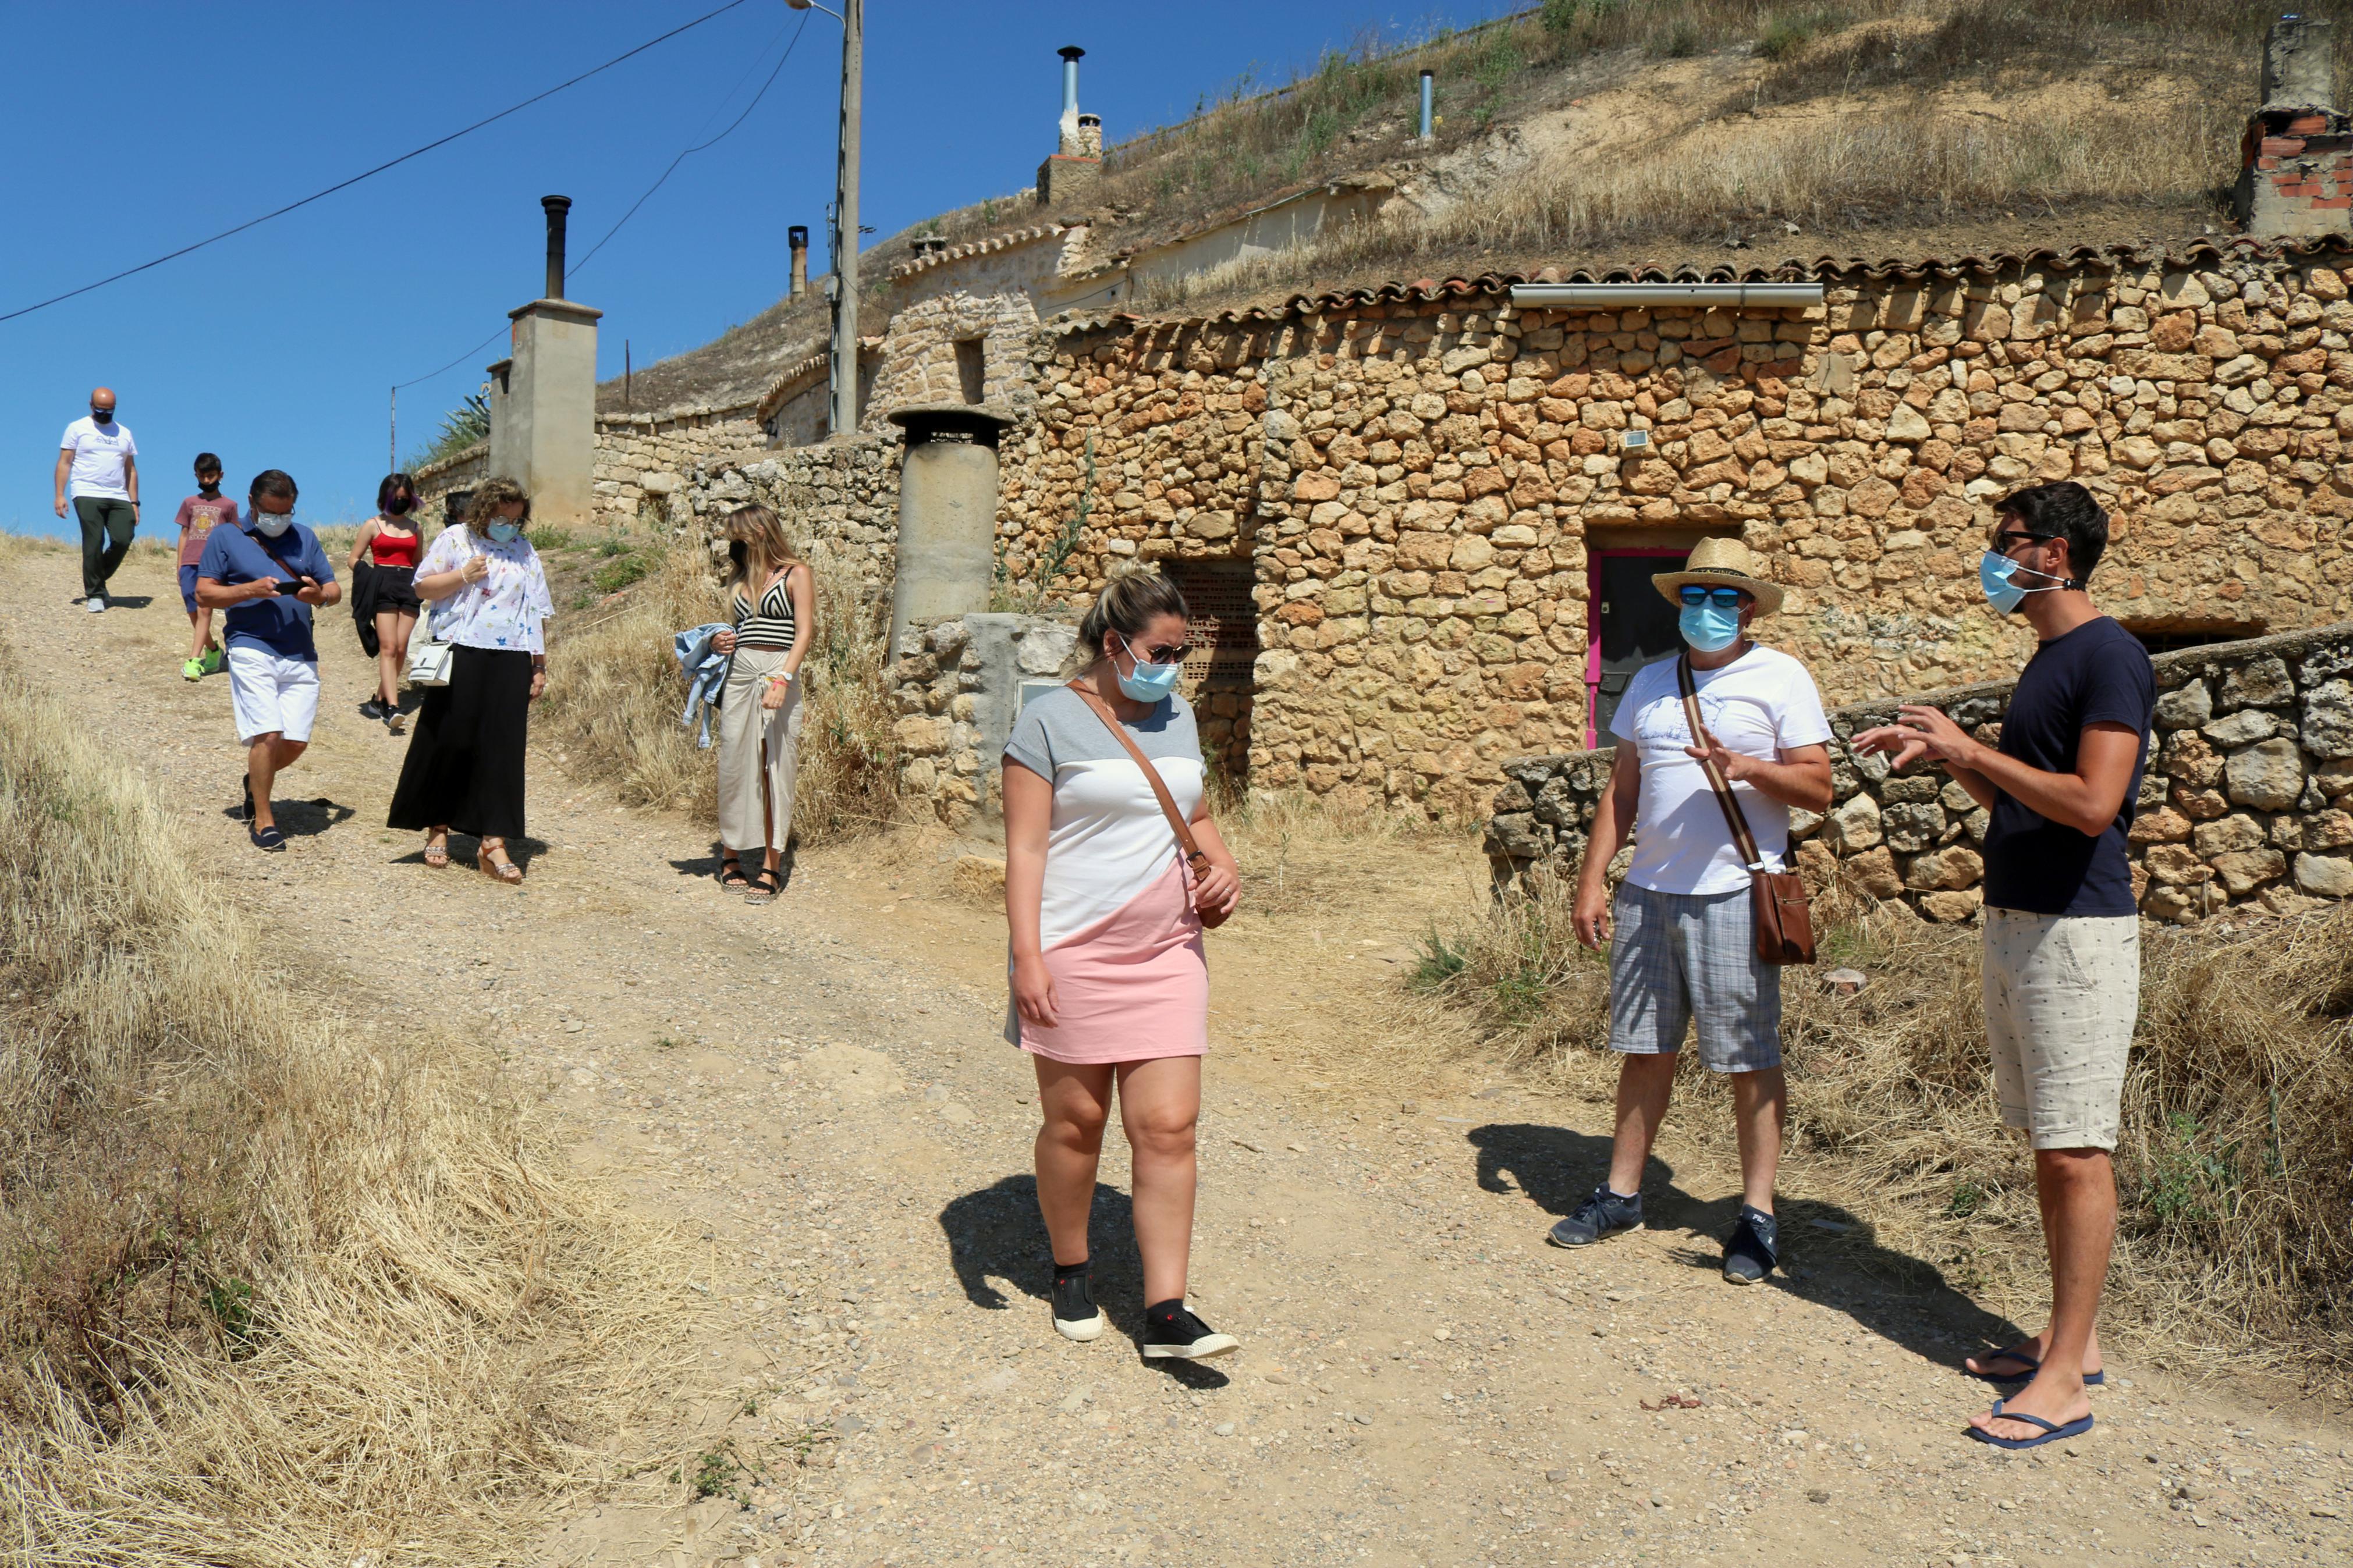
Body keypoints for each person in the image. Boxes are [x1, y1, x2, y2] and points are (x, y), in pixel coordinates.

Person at [1852, 482, 2153, 1452]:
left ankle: (2063, 1384)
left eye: (2003, 541)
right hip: (2019, 922)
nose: (1990, 559)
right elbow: (2024, 805)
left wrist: (1970, 746)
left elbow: (2093, 804)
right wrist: (1948, 755)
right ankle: (2070, 1340)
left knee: (2075, 1149)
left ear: (2052, 553)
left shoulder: (2108, 656)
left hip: (2075, 934)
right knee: (2045, 1141)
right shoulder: (2047, 658)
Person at [1552, 536, 1833, 1285]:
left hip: (1735, 893)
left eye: (1723, 597)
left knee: (1748, 1059)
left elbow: (1818, 787)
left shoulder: (1780, 677)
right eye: (1695, 596)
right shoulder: (1650, 682)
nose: (1706, 609)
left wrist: (1747, 768)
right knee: (1644, 1049)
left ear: (1747, 610)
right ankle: (1620, 1195)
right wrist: (1592, 881)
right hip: (1648, 893)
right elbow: (1622, 790)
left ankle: (1756, 1215)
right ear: (1680, 604)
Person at [1002, 569, 1242, 1360]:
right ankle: (1071, 1268)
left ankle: (1166, 1308)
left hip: (1167, 951)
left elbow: (1195, 812)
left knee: (1168, 1127)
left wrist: (1222, 867)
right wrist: (1028, 957)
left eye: (1181, 653)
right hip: (1073, 949)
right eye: (1161, 652)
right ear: (1114, 644)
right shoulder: (1047, 720)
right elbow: (1025, 850)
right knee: (1076, 1124)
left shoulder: (1177, 714)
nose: (1173, 668)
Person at [386, 475, 552, 884]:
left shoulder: (524, 549)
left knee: (503, 749)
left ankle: (493, 842)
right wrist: (462, 575)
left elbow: (535, 609)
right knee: (451, 738)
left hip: (512, 657)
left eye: (516, 520)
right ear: (484, 511)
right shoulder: (456, 538)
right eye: (501, 518)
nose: (508, 526)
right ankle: (438, 826)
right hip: (462, 651)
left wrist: (539, 664)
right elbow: (423, 587)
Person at [193, 470, 340, 852]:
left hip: (300, 651)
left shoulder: (305, 536)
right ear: (252, 503)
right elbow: (204, 593)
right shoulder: (226, 537)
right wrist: (249, 590)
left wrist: (319, 597)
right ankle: (264, 820)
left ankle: (254, 781)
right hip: (250, 646)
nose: (279, 520)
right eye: (272, 513)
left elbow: (334, 589)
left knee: (295, 743)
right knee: (268, 735)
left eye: (286, 512)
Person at [708, 504, 815, 902]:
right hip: (740, 672)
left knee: (776, 767)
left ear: (759, 530)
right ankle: (730, 855)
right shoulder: (738, 575)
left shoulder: (796, 573)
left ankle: (771, 864)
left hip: (777, 670)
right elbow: (739, 628)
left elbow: (804, 632)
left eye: (738, 532)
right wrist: (720, 640)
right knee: (735, 763)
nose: (732, 539)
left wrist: (784, 679)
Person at [347, 472, 426, 733]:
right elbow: (353, 558)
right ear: (386, 498)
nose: (401, 502)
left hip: (409, 587)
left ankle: (379, 700)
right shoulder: (373, 525)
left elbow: (417, 561)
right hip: (383, 586)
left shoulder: (416, 528)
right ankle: (393, 706)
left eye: (405, 498)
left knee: (401, 648)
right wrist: (370, 577)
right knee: (389, 647)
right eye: (396, 498)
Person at [54, 386, 139, 612]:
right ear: (91, 406)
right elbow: (65, 462)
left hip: (118, 494)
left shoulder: (124, 433)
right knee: (94, 541)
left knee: (123, 538)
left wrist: (134, 502)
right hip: (86, 492)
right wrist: (60, 494)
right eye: (100, 410)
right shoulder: (77, 428)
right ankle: (95, 594)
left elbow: (131, 469)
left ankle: (97, 578)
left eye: (109, 411)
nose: (104, 415)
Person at [171, 453, 237, 680]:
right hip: (189, 563)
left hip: (214, 565)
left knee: (205, 609)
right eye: (202, 476)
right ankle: (213, 650)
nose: (207, 481)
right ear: (196, 476)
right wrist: (180, 564)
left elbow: (234, 537)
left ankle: (193, 661)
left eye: (211, 476)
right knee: (193, 612)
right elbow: (184, 534)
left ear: (221, 475)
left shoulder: (230, 506)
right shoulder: (189, 503)